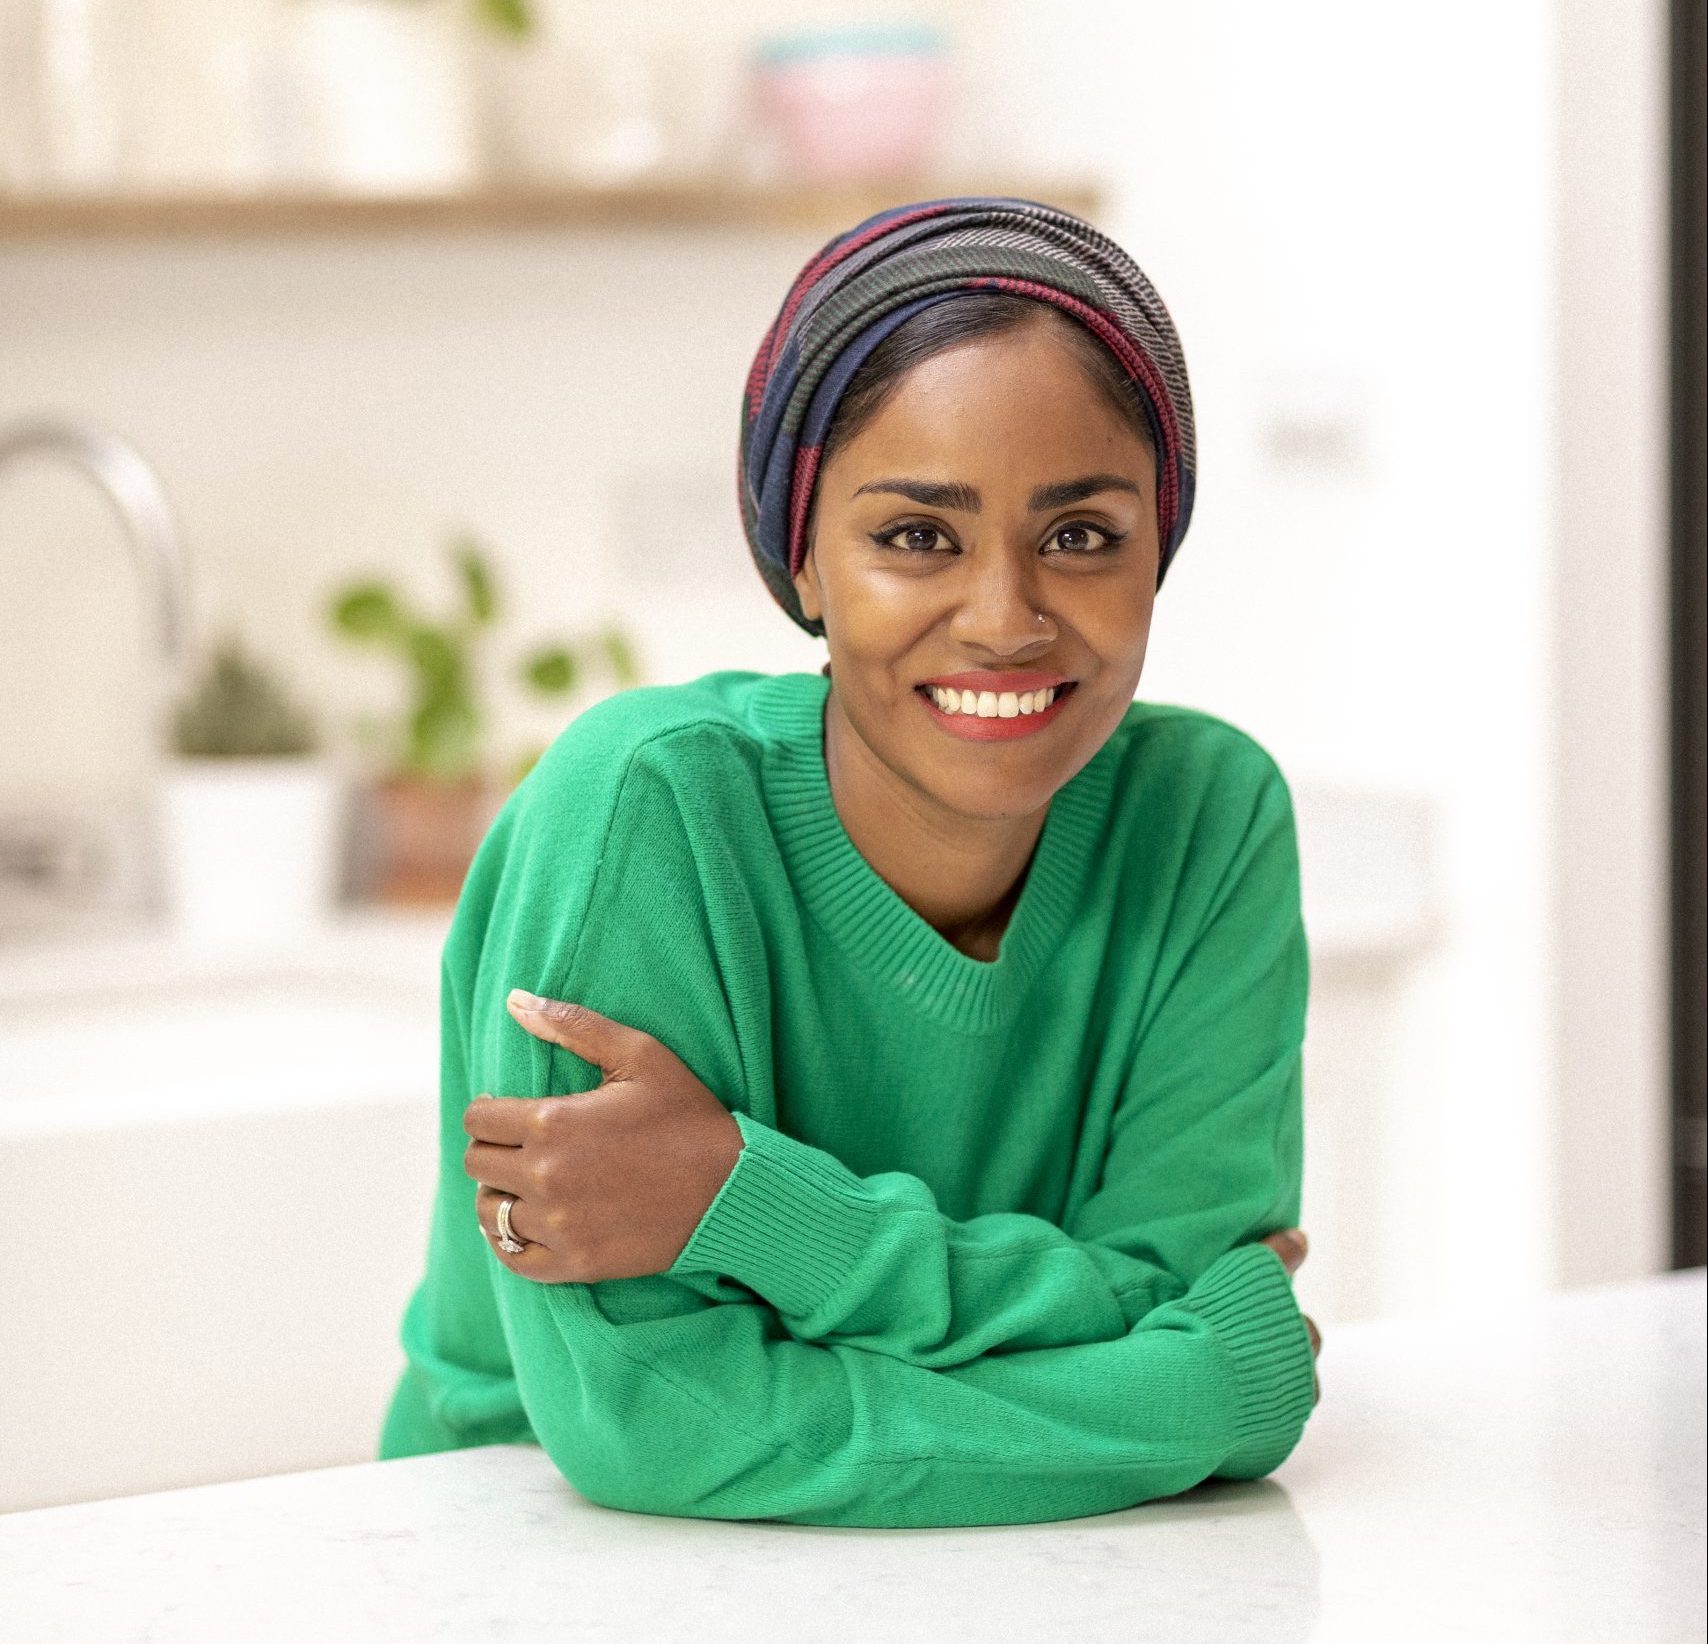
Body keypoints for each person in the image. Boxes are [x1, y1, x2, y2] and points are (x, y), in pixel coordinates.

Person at [378, 196, 1322, 1528]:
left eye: (1080, 536)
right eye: (917, 537)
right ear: (802, 556)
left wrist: (747, 1207)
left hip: (1048, 1578)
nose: (1004, 618)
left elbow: (1190, 1279)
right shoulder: (643, 811)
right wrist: (1193, 1396)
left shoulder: (1209, 818)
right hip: (537, 1558)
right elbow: (645, 1426)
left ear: (1156, 547)